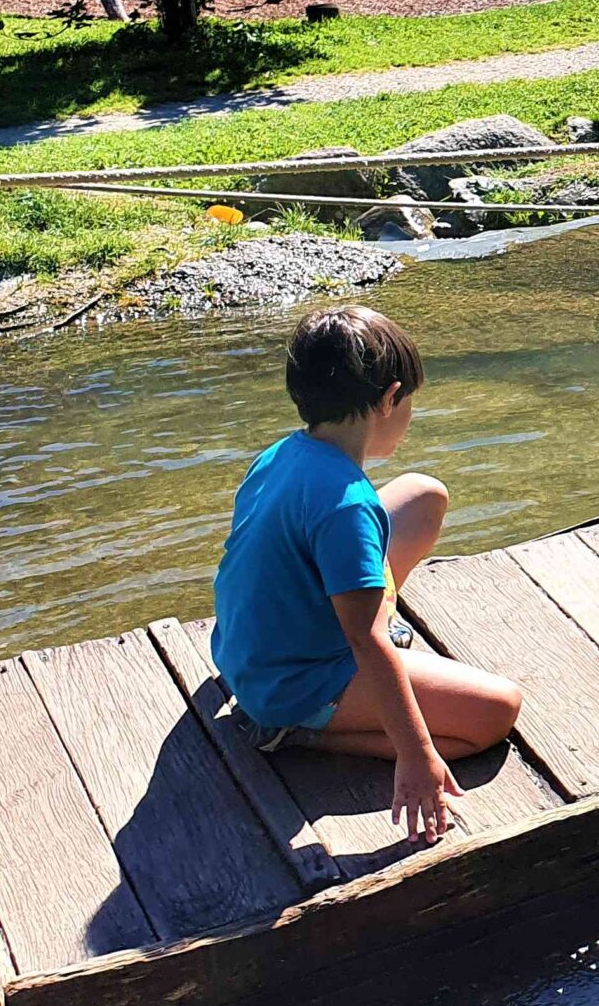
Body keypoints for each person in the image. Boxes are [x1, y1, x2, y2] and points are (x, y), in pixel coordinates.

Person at [212, 306, 521, 841]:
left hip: (252, 649)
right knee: (497, 712)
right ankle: (292, 733)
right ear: (387, 398)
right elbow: (367, 641)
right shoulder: (347, 506)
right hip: (296, 681)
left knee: (423, 495)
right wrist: (415, 753)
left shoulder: (284, 453)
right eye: (409, 402)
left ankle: (292, 704)